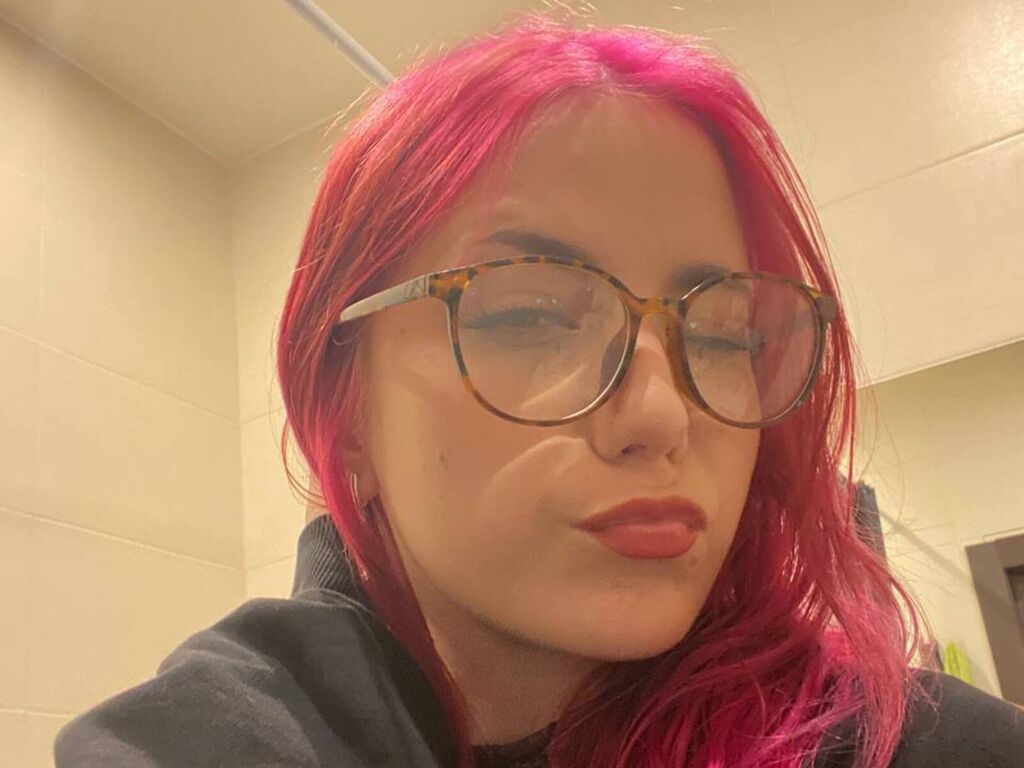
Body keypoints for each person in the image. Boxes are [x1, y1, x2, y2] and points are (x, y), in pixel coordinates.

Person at [54, 13, 1023, 768]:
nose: (662, 416)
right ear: (345, 418)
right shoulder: (225, 732)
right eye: (529, 316)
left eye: (723, 333)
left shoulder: (922, 744)